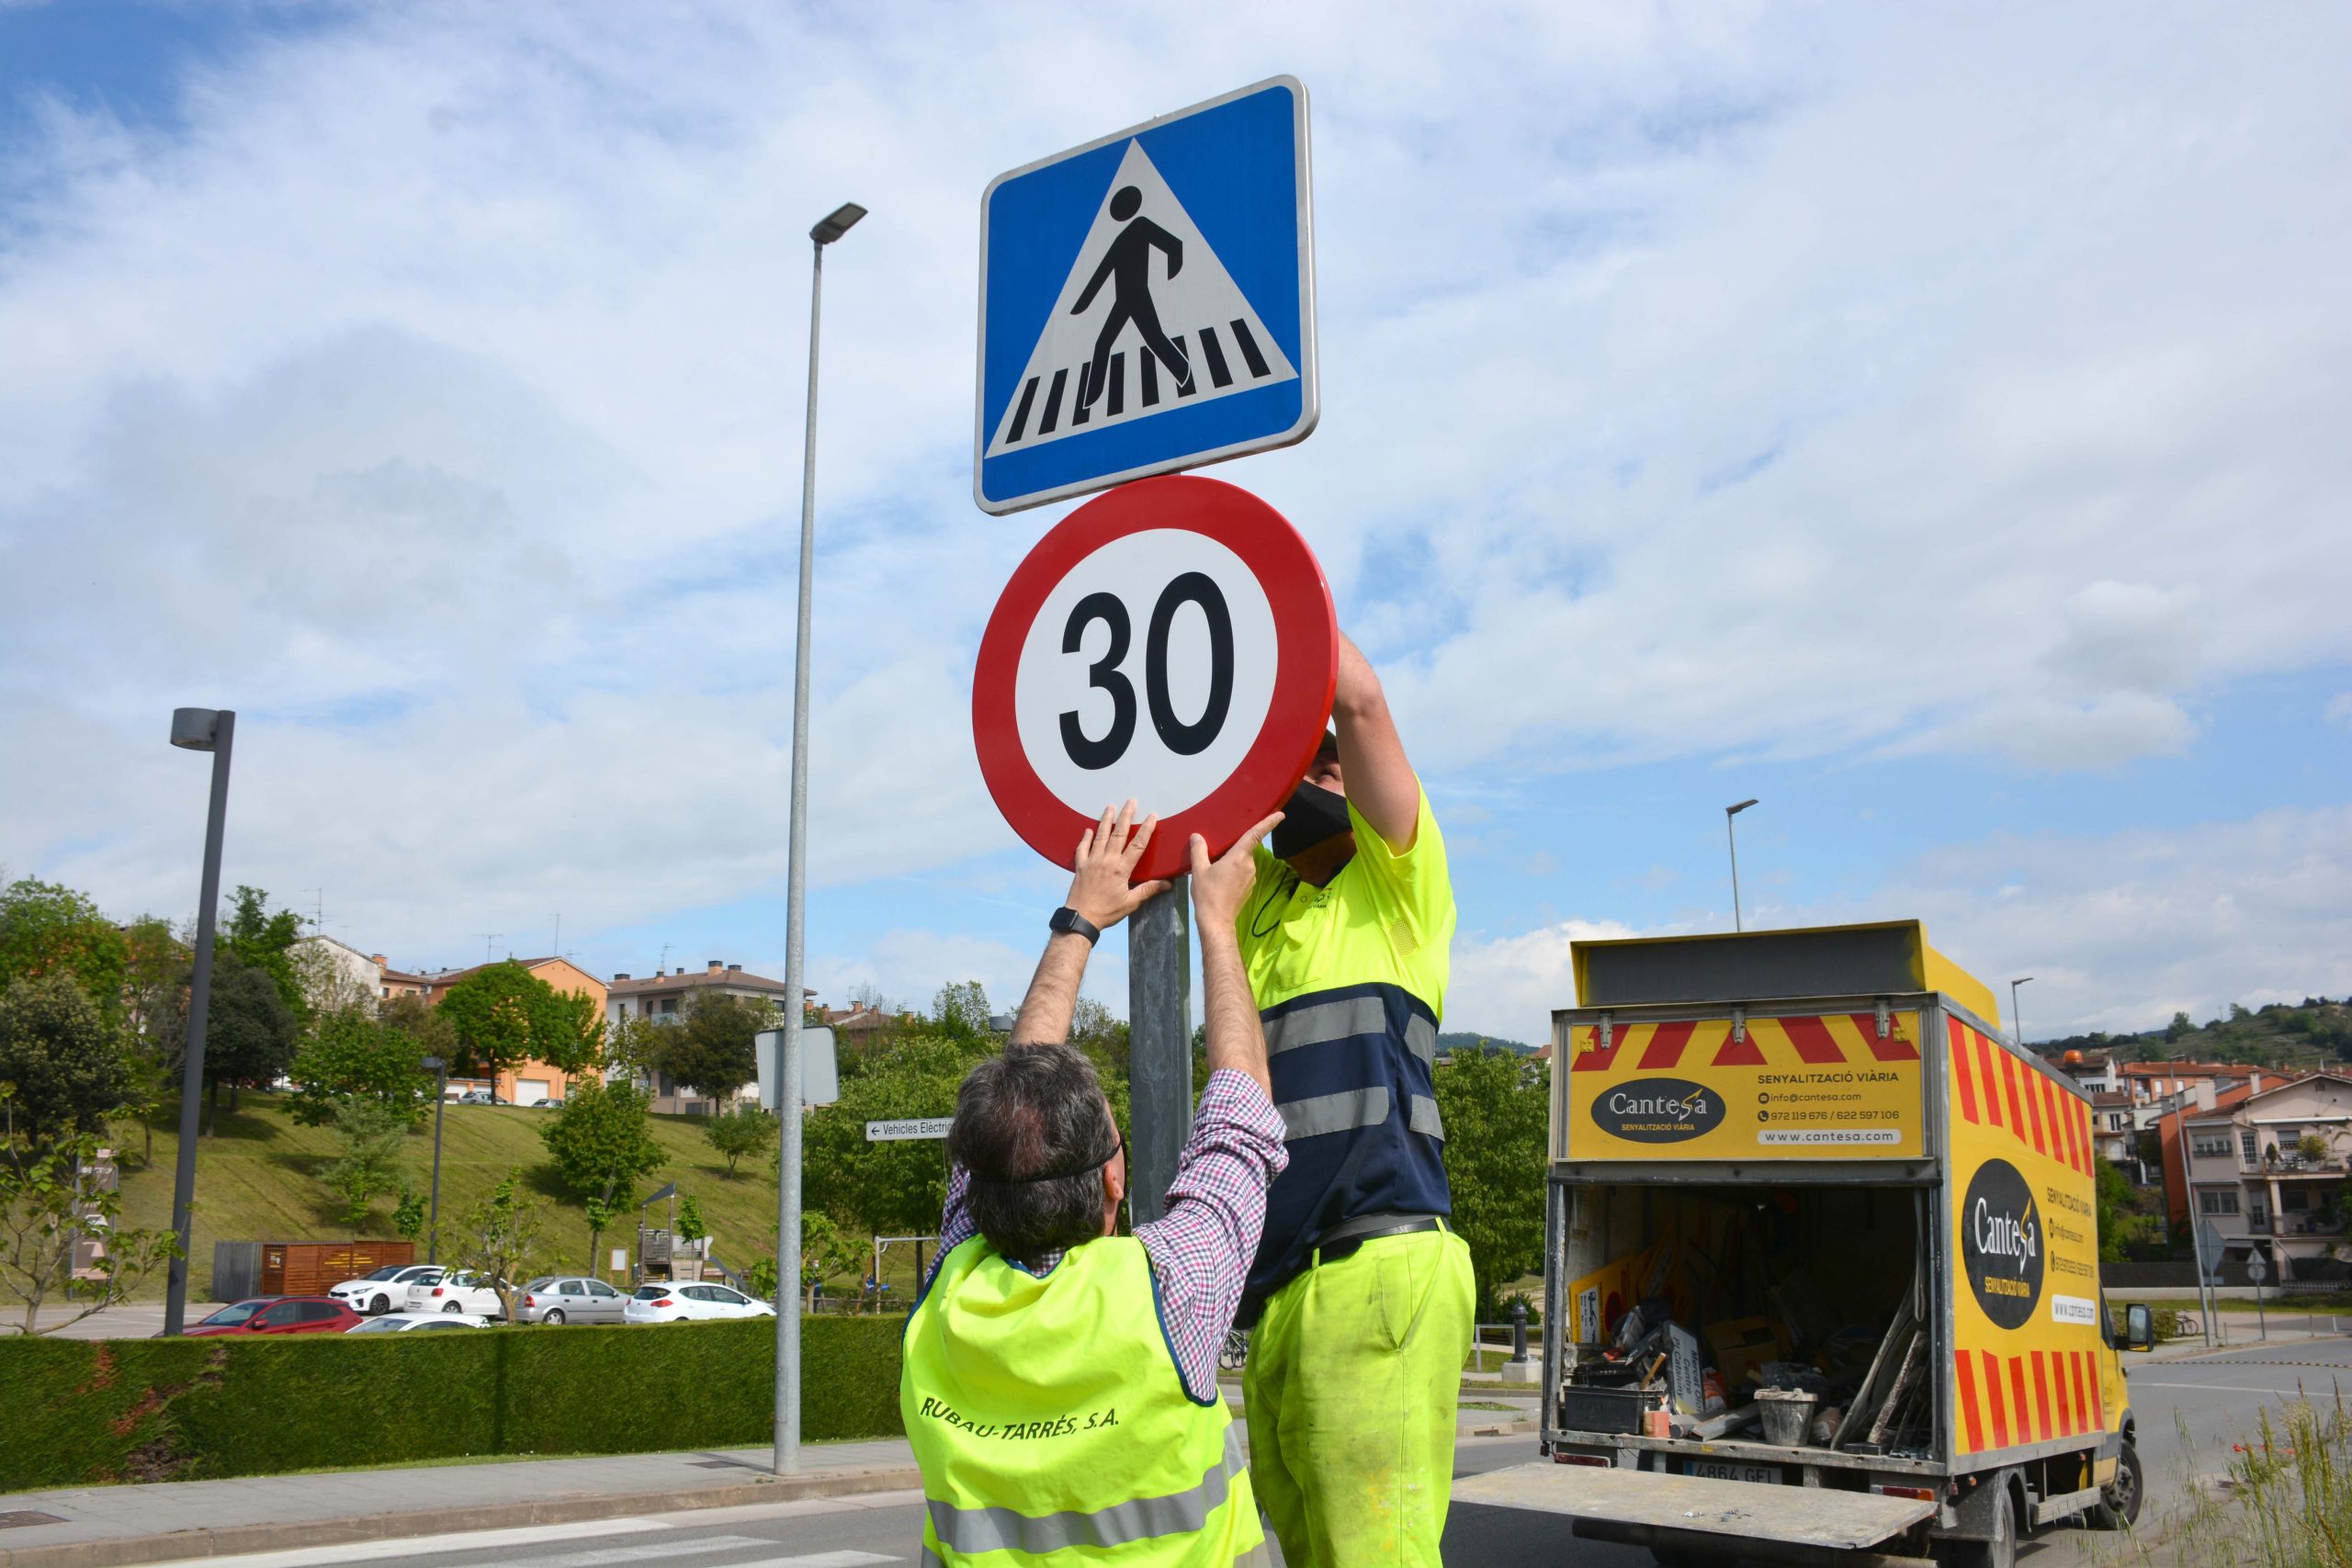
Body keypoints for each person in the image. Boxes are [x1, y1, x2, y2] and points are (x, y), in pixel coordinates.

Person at [902, 801, 1287, 1567]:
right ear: (1115, 1176)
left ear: (975, 1180)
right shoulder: (1169, 1286)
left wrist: (1075, 921)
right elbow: (1241, 1106)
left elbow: (1020, 1109)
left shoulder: (950, 1299)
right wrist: (1218, 925)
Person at [1233, 630, 1473, 1568]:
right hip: (1282, 1289)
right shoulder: (1261, 911)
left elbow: (1361, 702)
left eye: (1327, 768)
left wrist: (1256, 591)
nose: (1313, 784)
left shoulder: (1397, 883)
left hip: (1378, 1263)